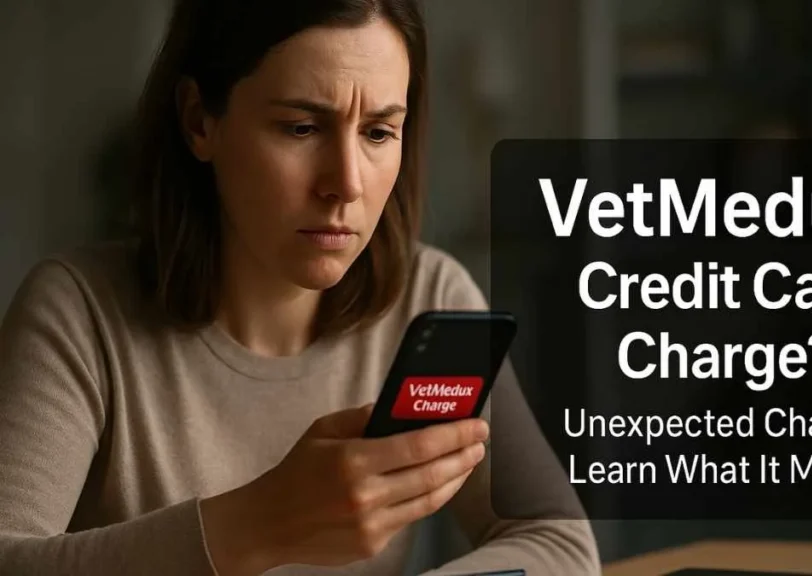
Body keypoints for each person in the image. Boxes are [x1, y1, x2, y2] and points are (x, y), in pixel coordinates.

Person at [0, 0, 600, 574]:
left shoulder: (430, 298)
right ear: (198, 121)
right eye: (301, 127)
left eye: (378, 132)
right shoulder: (78, 314)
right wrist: (259, 525)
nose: (346, 184)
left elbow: (557, 541)